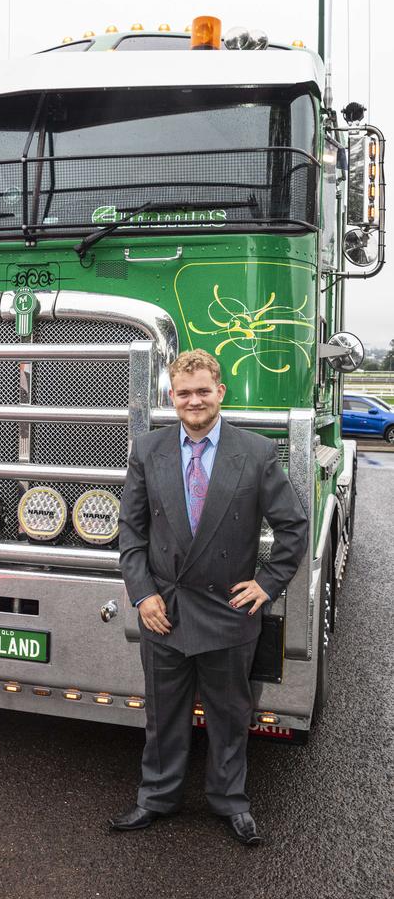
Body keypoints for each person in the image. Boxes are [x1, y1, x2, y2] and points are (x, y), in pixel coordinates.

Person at [111, 349, 308, 844]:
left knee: (229, 715)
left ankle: (230, 802)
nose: (193, 401)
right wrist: (142, 595)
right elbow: (131, 532)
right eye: (184, 393)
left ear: (221, 392)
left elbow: (293, 528)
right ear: (170, 398)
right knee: (163, 715)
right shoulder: (147, 450)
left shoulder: (257, 453)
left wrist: (267, 584)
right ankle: (156, 797)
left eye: (203, 391)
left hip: (229, 612)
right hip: (164, 613)